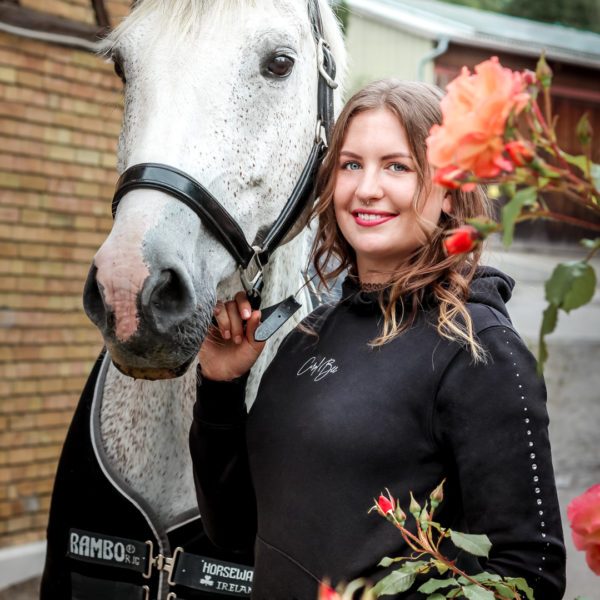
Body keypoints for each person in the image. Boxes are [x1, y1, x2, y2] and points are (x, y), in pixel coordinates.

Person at [189, 79, 566, 599]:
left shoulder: (480, 349)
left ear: (449, 187)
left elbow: (529, 575)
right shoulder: (307, 338)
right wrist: (220, 386)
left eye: (397, 166)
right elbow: (231, 531)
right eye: (350, 164)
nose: (367, 188)